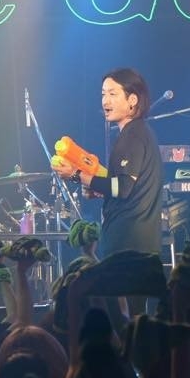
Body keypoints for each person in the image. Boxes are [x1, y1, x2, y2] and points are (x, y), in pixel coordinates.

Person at [53, 67, 162, 257]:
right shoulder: (140, 132)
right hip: (140, 244)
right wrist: (99, 189)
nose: (105, 101)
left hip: (127, 244)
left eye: (113, 94)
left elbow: (123, 187)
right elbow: (131, 190)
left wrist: (76, 175)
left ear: (132, 100)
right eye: (103, 94)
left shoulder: (133, 135)